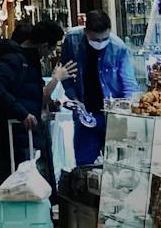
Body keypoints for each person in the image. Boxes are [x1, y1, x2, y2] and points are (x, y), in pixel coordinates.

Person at [0, 19, 73, 188]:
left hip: (24, 137)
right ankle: (14, 215)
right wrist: (22, 113)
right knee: (14, 186)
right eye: (52, 49)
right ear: (44, 46)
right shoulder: (16, 60)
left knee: (26, 187)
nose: (51, 55)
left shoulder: (27, 61)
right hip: (12, 137)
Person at [57, 11, 135, 167]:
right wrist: (75, 100)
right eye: (95, 39)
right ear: (86, 32)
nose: (100, 42)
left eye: (105, 39)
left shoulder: (119, 48)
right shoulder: (72, 40)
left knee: (117, 167)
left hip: (115, 117)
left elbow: (128, 84)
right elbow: (66, 76)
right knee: (85, 165)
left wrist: (129, 112)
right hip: (85, 114)